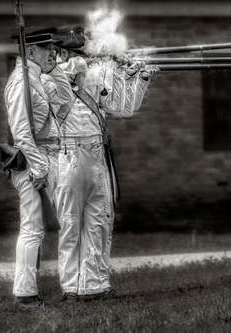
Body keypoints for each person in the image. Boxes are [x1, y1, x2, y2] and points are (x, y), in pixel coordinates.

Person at [52, 28, 159, 303]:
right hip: (67, 155)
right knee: (70, 224)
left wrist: (139, 77)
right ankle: (71, 288)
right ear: (60, 53)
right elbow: (58, 87)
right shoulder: (50, 78)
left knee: (99, 223)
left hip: (96, 156)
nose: (77, 58)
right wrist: (78, 66)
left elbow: (124, 108)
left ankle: (96, 284)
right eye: (70, 52)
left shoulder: (95, 76)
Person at [4, 28, 73, 310]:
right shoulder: (22, 82)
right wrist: (39, 167)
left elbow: (66, 102)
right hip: (35, 162)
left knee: (37, 229)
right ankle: (24, 293)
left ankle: (29, 290)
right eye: (47, 49)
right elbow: (20, 132)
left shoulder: (37, 78)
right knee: (31, 229)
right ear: (30, 51)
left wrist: (54, 67)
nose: (53, 52)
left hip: (45, 159)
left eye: (53, 49)